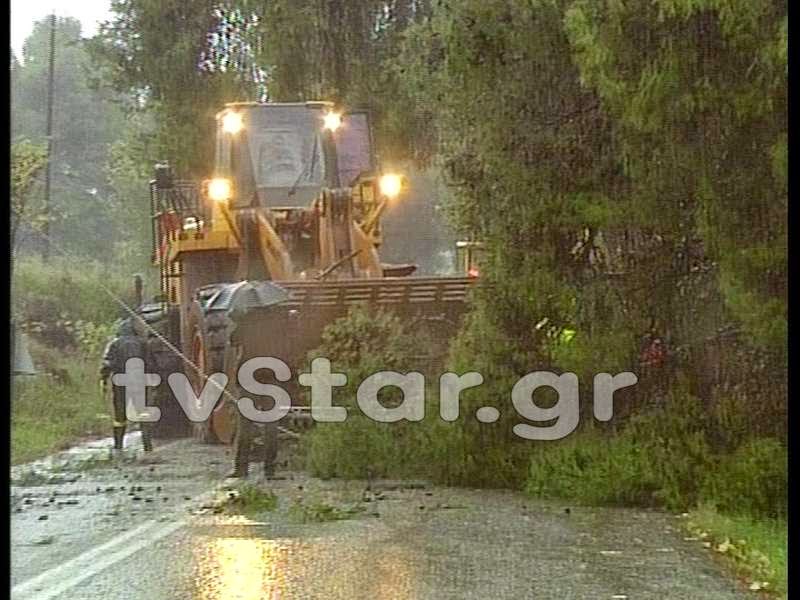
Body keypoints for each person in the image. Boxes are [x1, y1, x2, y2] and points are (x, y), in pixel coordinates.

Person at [99, 316, 148, 453]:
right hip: (139, 381)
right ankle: (148, 446)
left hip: (120, 382)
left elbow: (107, 363)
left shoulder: (114, 344)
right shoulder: (142, 343)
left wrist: (104, 378)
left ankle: (118, 446)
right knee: (142, 413)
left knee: (120, 415)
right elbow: (150, 362)